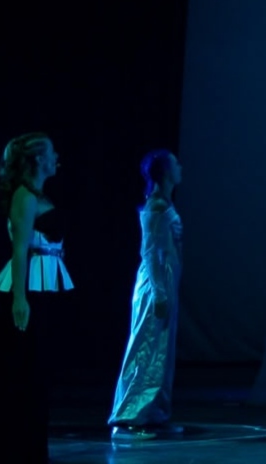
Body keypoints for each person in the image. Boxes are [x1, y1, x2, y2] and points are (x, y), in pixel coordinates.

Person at [0, 133, 73, 464]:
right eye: (52, 152)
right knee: (12, 369)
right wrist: (19, 298)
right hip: (27, 290)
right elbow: (19, 249)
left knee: (32, 372)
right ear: (39, 159)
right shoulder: (24, 197)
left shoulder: (38, 195)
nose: (57, 158)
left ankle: (26, 449)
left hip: (44, 287)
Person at [109, 150, 186, 437]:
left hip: (165, 280)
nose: (180, 168)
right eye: (175, 164)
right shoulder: (156, 206)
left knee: (159, 350)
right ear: (165, 172)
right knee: (147, 347)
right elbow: (150, 251)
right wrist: (159, 293)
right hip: (156, 284)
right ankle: (132, 414)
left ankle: (153, 413)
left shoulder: (163, 202)